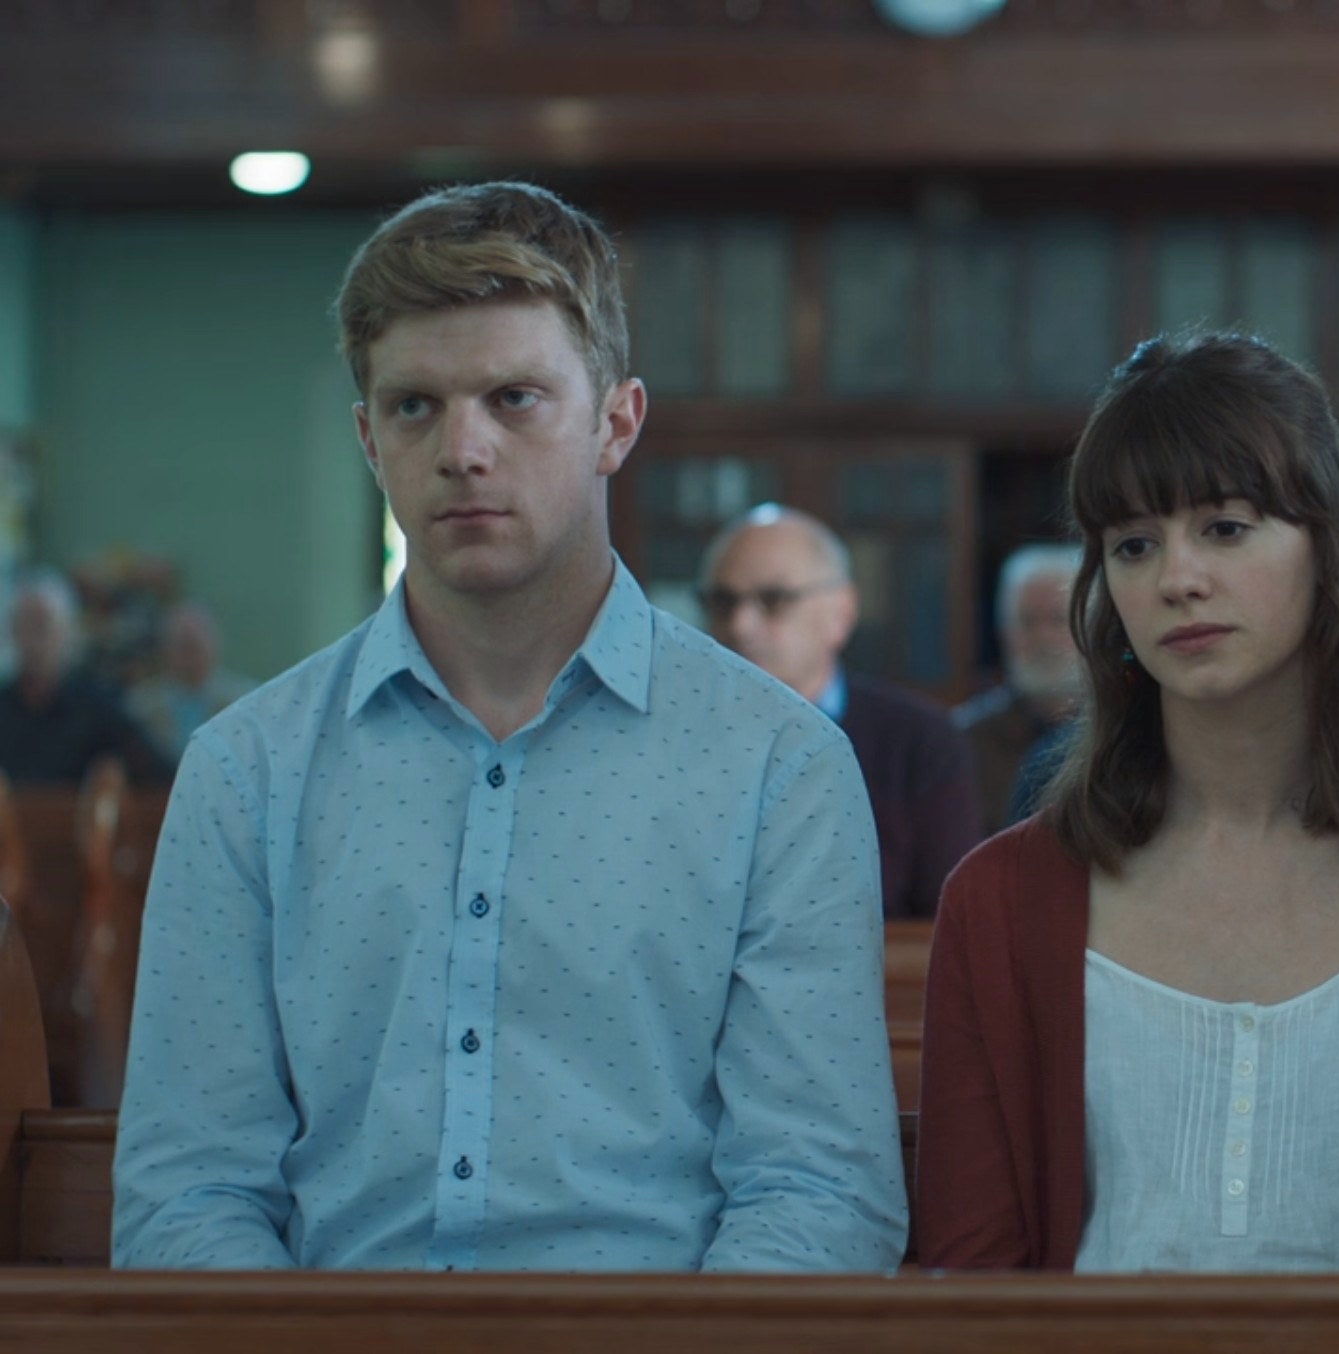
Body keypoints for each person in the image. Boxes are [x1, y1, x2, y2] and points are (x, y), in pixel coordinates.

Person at [113, 182, 906, 1272]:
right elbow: (187, 1189)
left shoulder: (777, 763)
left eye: (515, 398)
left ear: (616, 423)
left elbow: (816, 1190)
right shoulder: (248, 767)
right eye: (414, 406)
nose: (462, 450)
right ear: (367, 437)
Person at [916, 333, 1339, 1272]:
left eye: (1224, 527)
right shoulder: (1001, 900)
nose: (1177, 578)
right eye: (1133, 545)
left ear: (1331, 540)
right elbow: (973, 1278)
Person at [698, 504, 981, 918]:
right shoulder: (675, 738)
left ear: (841, 613)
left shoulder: (919, 741)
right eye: (722, 602)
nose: (740, 625)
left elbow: (948, 923)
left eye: (773, 599)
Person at [954, 544, 1083, 835]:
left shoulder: (1124, 732)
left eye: (1058, 620)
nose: (1042, 637)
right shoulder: (966, 739)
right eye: (1026, 621)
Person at [0, 573, 172, 786]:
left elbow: (159, 771)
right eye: (26, 626)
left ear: (66, 633)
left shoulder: (99, 705)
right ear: (12, 632)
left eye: (44, 626)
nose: (35, 641)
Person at [125, 601, 256, 762]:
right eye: (182, 647)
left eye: (194, 647)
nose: (189, 657)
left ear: (215, 643)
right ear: (163, 648)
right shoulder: (140, 708)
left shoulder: (245, 702)